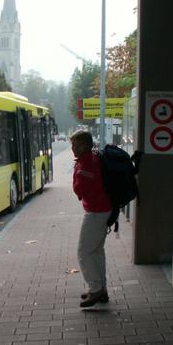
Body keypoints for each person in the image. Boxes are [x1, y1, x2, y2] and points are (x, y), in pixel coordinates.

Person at [69, 130, 113, 308]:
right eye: (72, 145)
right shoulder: (93, 158)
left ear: (85, 145)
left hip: (96, 211)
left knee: (84, 252)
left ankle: (95, 289)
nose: (73, 148)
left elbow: (79, 189)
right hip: (103, 208)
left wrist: (77, 170)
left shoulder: (86, 163)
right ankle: (101, 288)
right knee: (96, 251)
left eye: (76, 145)